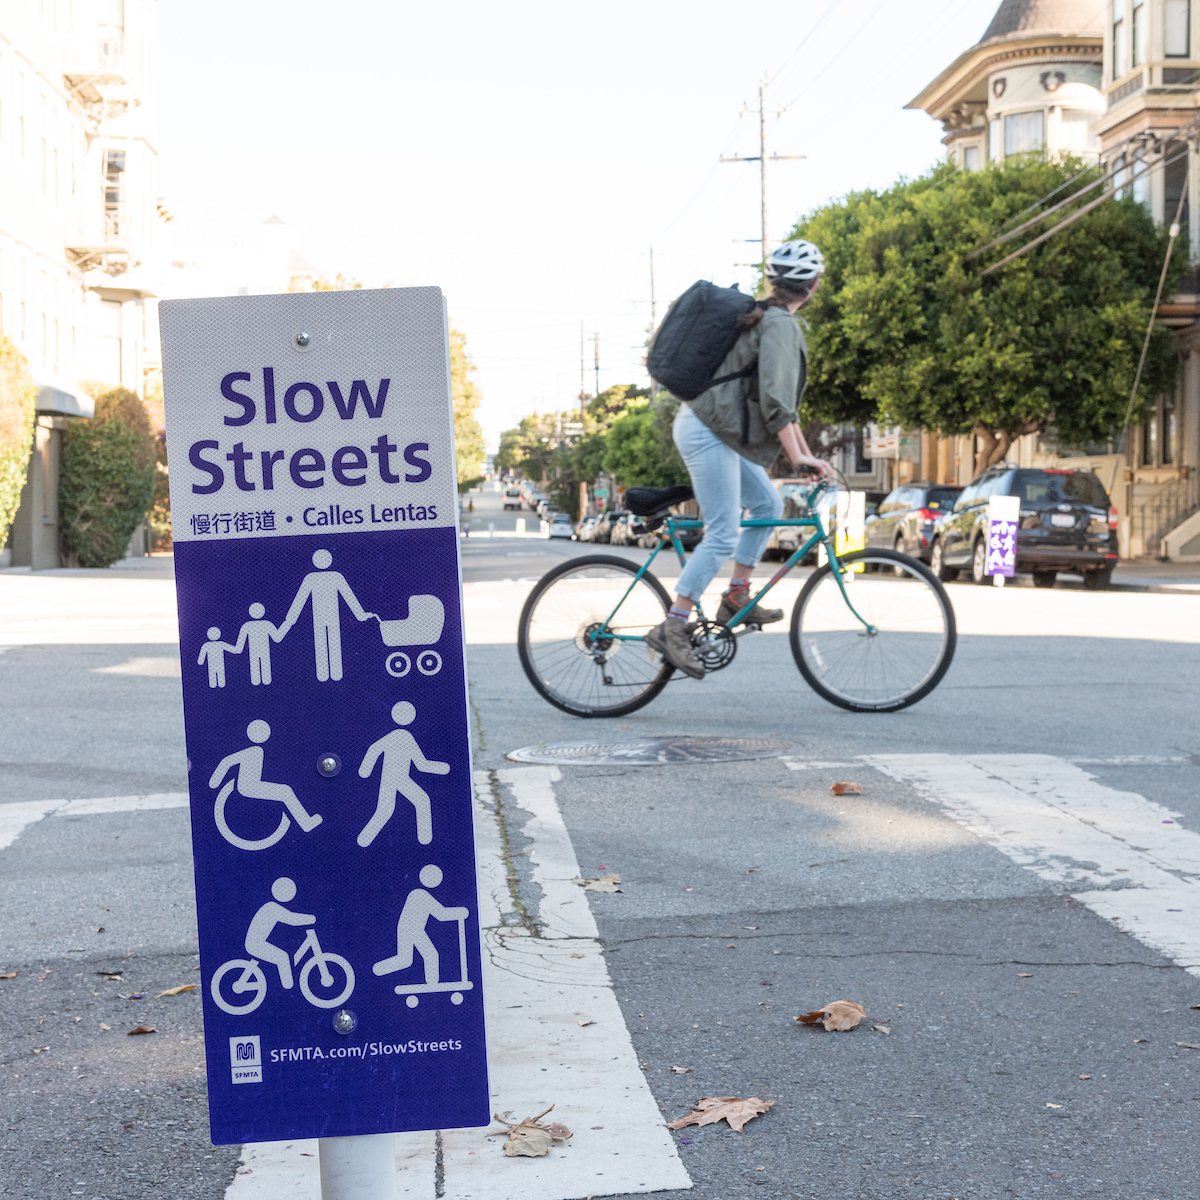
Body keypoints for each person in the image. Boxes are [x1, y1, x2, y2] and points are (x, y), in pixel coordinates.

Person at [646, 240, 834, 680]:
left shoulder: (767, 317)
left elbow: (776, 403)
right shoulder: (780, 325)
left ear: (774, 282)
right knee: (724, 530)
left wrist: (801, 454)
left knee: (768, 505)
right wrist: (800, 457)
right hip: (706, 431)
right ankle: (673, 625)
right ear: (813, 286)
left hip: (716, 429)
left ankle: (736, 596)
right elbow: (776, 402)